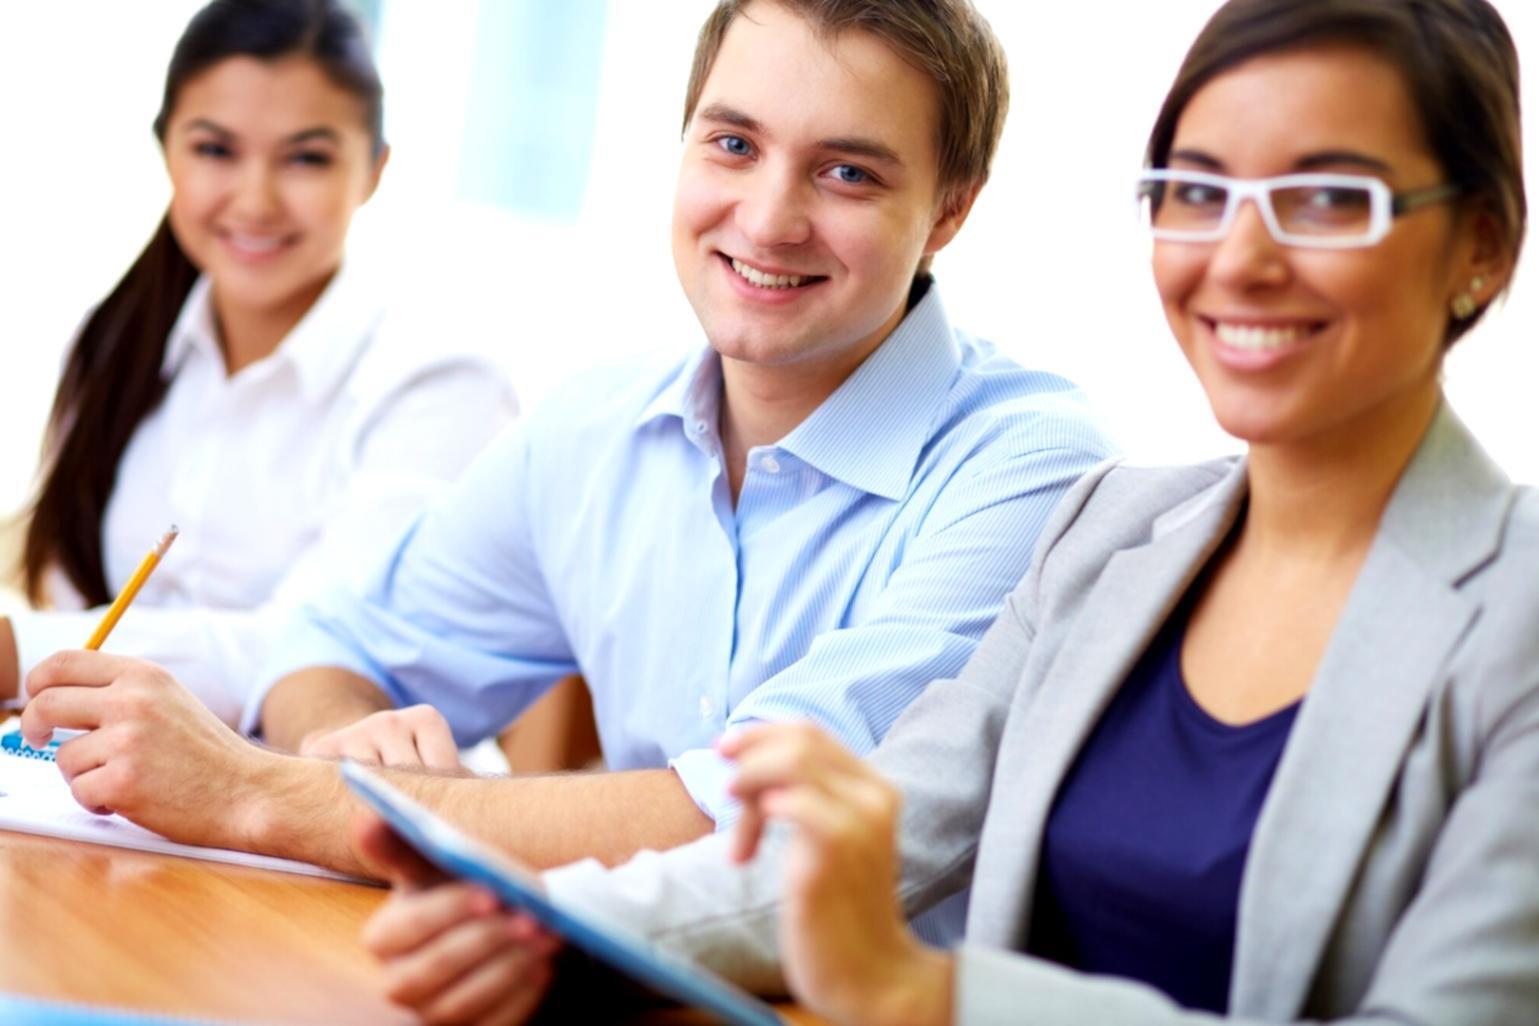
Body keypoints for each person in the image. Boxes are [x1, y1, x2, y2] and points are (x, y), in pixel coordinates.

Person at [357, 0, 1539, 1023]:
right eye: (1196, 190)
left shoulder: (1514, 621)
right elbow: (860, 852)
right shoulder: (1111, 538)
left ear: (1482, 245)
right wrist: (541, 927)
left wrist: (931, 1000)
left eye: (1328, 200)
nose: (1240, 257)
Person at [18, 0, 1109, 918]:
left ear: (951, 208)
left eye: (848, 174)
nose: (769, 218)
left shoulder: (1031, 472)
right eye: (732, 144)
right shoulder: (594, 429)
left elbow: (757, 827)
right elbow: (329, 638)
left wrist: (268, 795)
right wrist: (350, 739)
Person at [0, 0, 515, 726]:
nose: (256, 200)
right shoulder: (111, 343)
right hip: (104, 789)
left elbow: (316, 647)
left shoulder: (441, 380)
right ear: (167, 151)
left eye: (306, 158)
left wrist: (22, 651)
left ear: (372, 171)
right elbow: (71, 595)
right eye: (215, 150)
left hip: (336, 802)